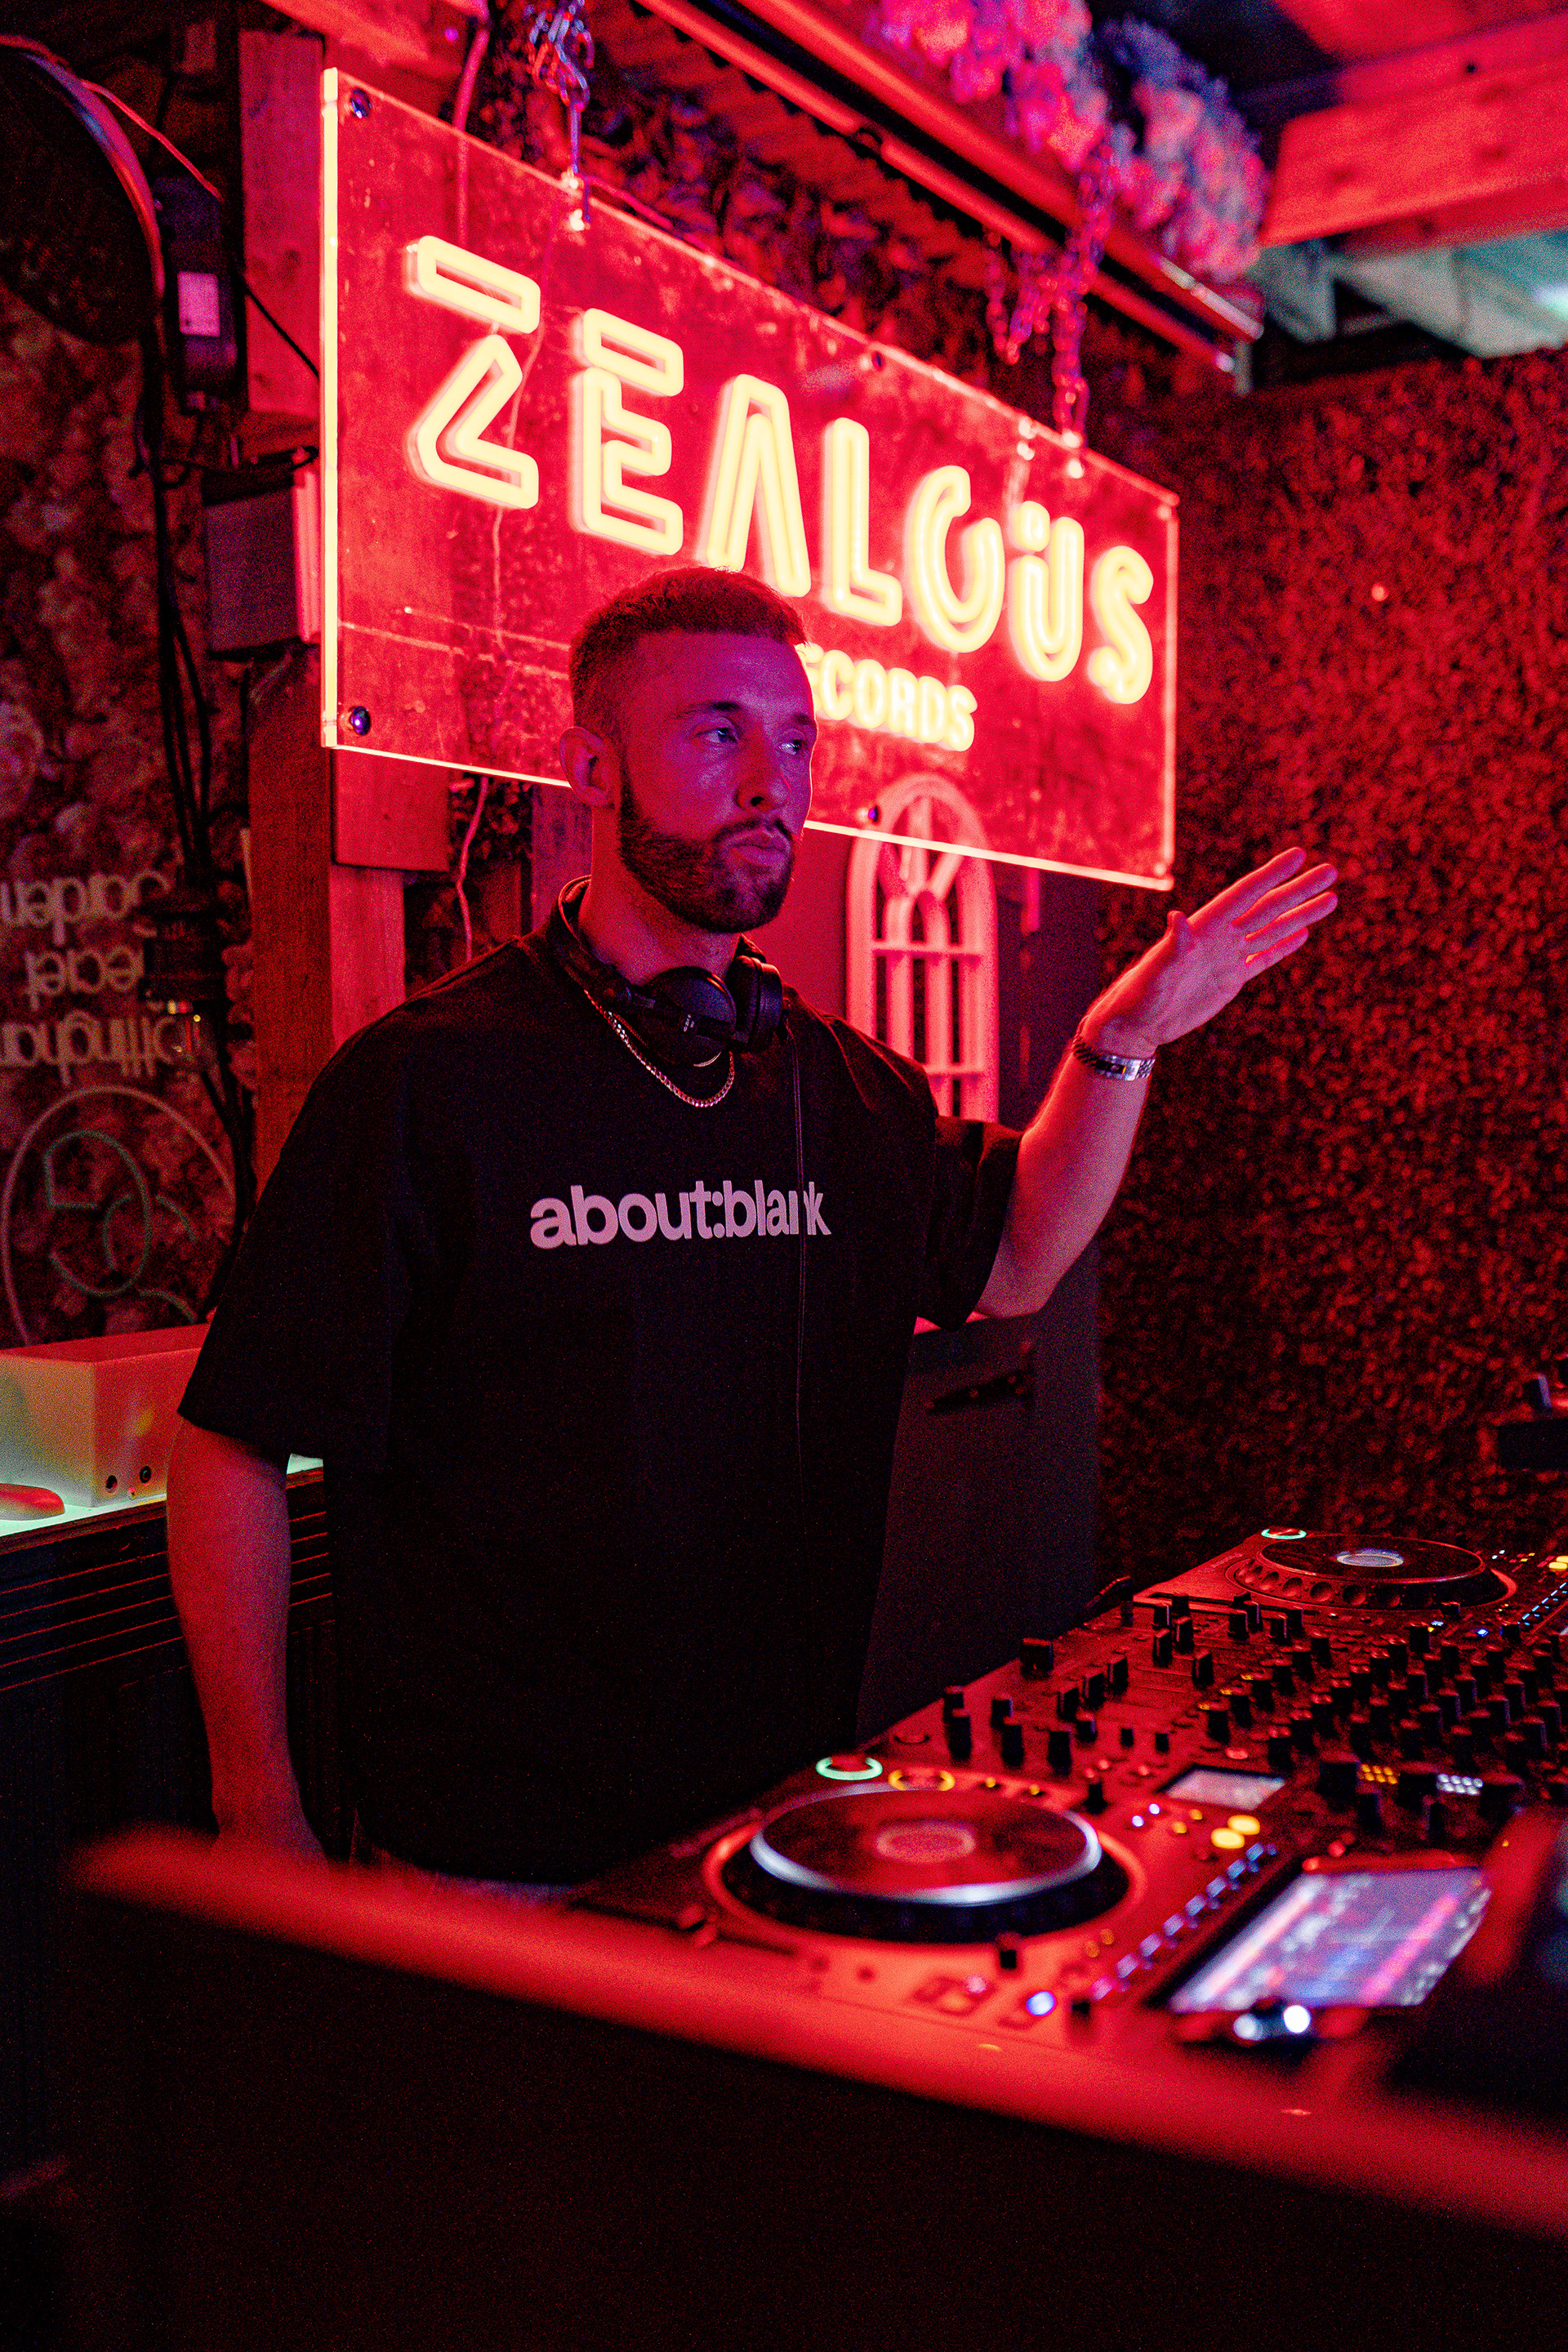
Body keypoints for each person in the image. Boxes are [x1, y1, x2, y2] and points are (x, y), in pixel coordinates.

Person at [167, 564, 1336, 1887]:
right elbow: (230, 1443)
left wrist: (1119, 1042)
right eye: (718, 733)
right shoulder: (427, 1083)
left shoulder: (840, 1089)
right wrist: (255, 1806)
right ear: (592, 770)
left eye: (794, 741)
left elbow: (1017, 1257)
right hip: (491, 1858)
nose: (771, 782)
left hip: (769, 1824)